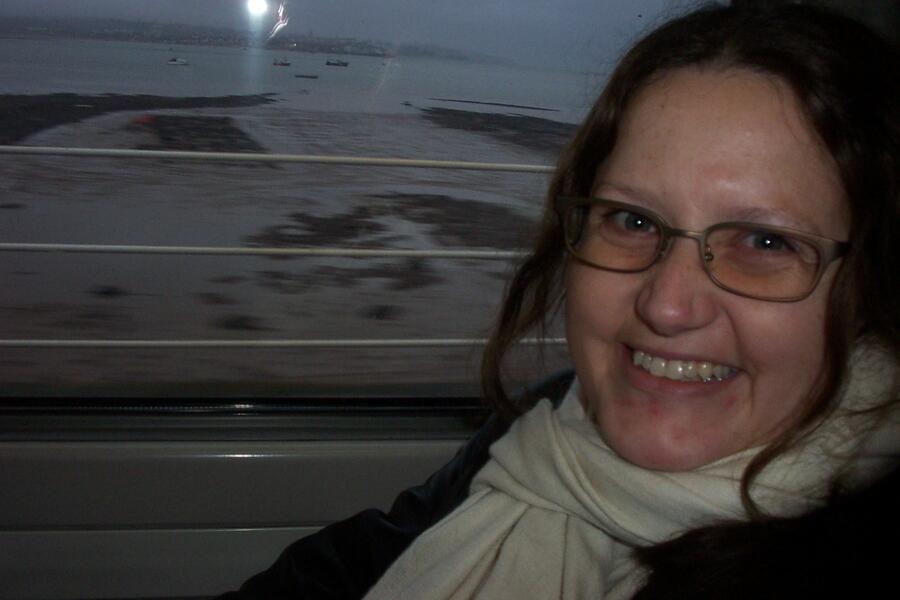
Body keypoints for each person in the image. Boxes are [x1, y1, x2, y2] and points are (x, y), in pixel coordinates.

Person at [219, 4, 900, 598]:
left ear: (873, 285)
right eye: (632, 220)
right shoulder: (555, 425)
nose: (666, 306)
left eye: (764, 241)